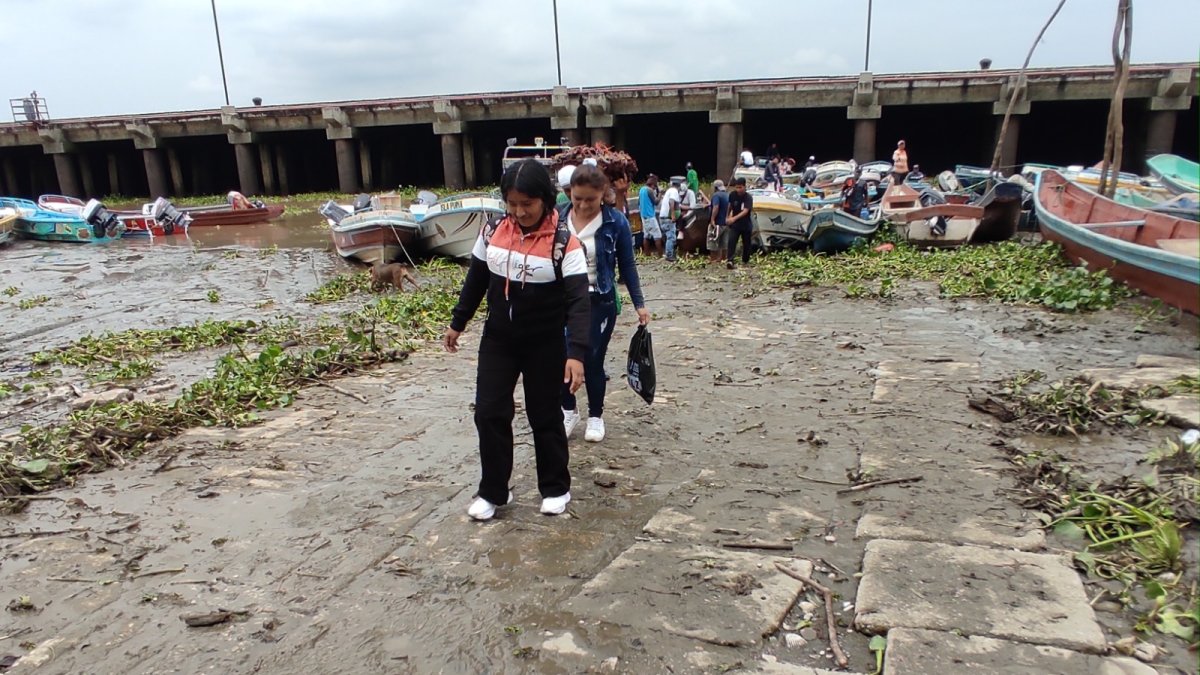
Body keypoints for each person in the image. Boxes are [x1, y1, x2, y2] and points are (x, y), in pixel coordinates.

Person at [444, 159, 590, 521]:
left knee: (545, 415)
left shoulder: (564, 245)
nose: (519, 211)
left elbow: (578, 303)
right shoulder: (492, 231)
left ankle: (555, 487)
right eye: (512, 204)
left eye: (527, 204)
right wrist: (458, 322)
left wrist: (577, 355)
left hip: (545, 343)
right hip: (499, 339)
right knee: (490, 412)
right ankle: (494, 490)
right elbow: (476, 279)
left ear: (545, 198)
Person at [559, 164, 650, 443]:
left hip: (599, 299)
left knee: (591, 358)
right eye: (577, 199)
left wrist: (639, 303)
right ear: (569, 194)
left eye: (590, 199)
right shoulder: (557, 219)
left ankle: (595, 415)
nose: (584, 205)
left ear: (603, 195)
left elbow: (628, 265)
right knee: (561, 358)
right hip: (563, 301)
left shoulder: (615, 222)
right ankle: (568, 410)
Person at [725, 177, 754, 269]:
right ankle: (730, 260)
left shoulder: (748, 197)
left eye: (740, 187)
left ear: (745, 187)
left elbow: (745, 211)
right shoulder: (732, 195)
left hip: (745, 224)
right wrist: (727, 216)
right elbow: (729, 206)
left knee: (746, 244)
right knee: (732, 241)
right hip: (735, 225)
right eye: (737, 187)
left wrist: (733, 218)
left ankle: (745, 260)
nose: (738, 190)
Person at [657, 177, 683, 262]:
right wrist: (673, 215)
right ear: (679, 186)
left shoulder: (669, 191)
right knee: (671, 237)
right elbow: (671, 202)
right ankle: (669, 255)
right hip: (668, 218)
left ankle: (669, 253)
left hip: (663, 217)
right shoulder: (674, 191)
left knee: (668, 236)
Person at [638, 174, 662, 255]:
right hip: (650, 216)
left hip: (643, 216)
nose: (655, 188)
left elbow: (639, 203)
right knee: (658, 236)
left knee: (646, 236)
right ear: (652, 184)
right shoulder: (649, 190)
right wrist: (660, 194)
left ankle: (647, 254)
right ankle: (660, 255)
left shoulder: (641, 190)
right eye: (654, 186)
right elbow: (656, 202)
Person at [707, 179, 730, 262]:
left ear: (715, 188)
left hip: (717, 222)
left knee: (712, 239)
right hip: (725, 223)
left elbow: (716, 207)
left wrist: (712, 219)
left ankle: (713, 258)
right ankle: (723, 258)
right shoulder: (727, 195)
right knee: (724, 242)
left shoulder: (716, 195)